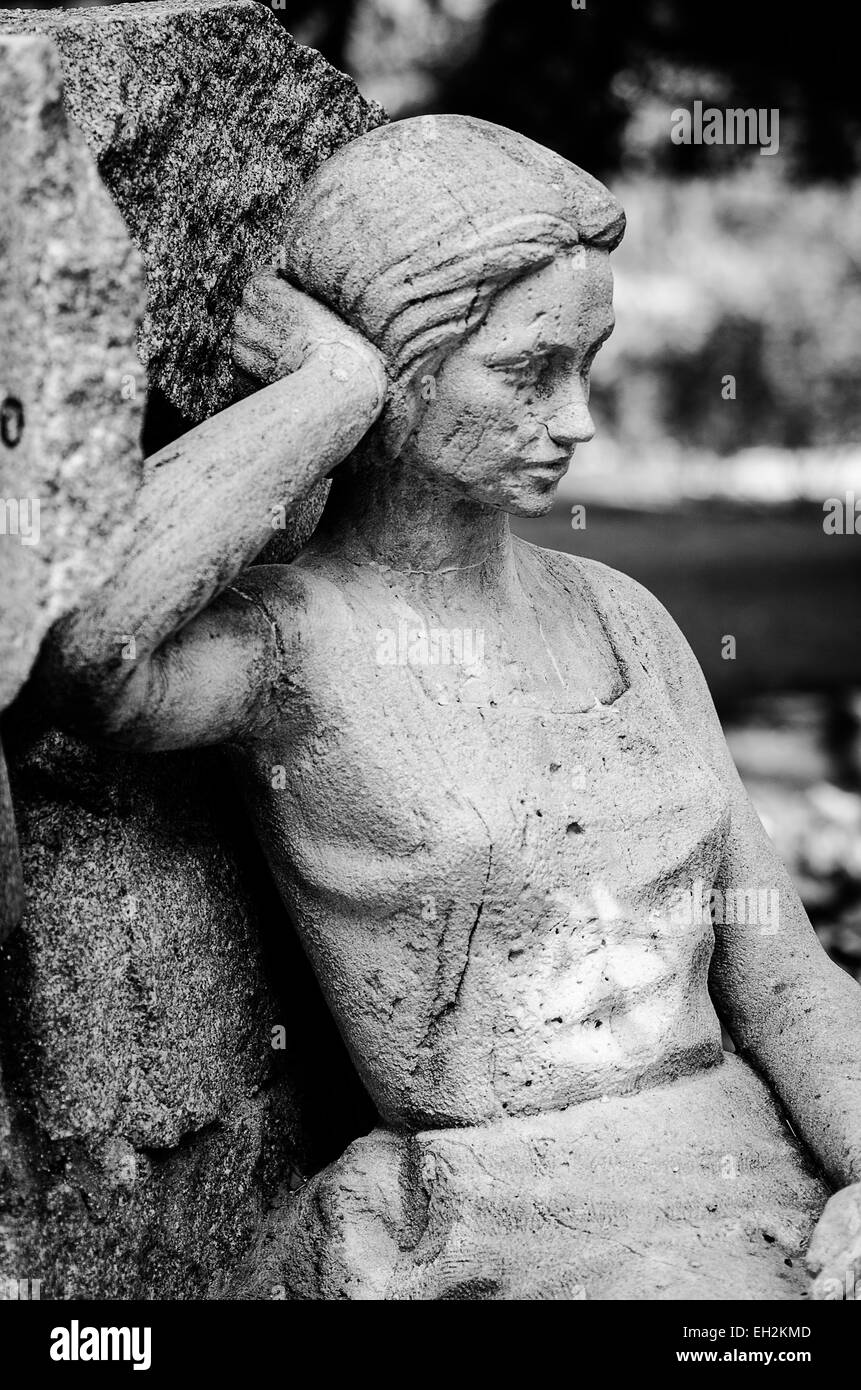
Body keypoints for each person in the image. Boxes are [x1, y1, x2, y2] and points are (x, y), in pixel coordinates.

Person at [41, 116, 861, 1300]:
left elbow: (788, 979)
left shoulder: (622, 616)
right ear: (404, 368)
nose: (577, 419)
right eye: (529, 369)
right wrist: (329, 392)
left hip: (753, 1175)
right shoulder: (298, 645)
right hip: (523, 1220)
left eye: (589, 363)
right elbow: (92, 645)